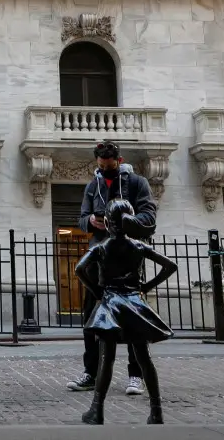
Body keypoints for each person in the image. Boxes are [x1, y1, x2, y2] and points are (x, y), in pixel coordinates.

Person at [66, 140, 157, 397]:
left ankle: (135, 375)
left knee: (133, 319)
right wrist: (92, 221)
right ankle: (90, 373)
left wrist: (120, 221)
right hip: (99, 258)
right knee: (91, 318)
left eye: (110, 165)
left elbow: (149, 217)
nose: (105, 169)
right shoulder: (92, 186)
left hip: (128, 258)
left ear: (119, 160)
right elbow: (82, 219)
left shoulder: (137, 183)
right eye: (101, 165)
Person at [74, 198, 177, 425]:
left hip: (110, 304)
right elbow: (171, 266)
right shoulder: (139, 246)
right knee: (144, 359)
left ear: (108, 223)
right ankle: (156, 410)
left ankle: (97, 410)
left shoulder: (101, 247)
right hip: (134, 304)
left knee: (106, 359)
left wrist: (96, 290)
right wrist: (147, 286)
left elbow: (79, 269)